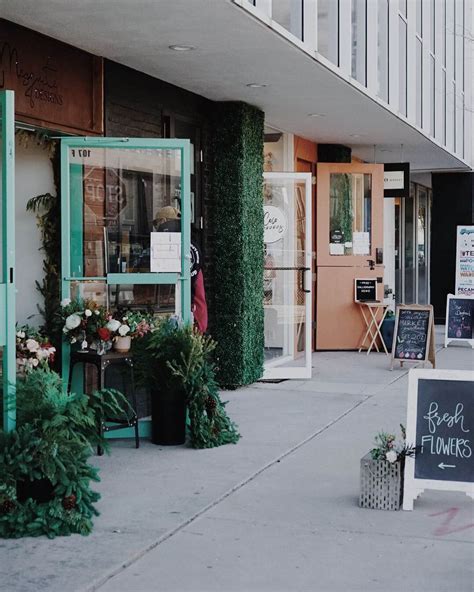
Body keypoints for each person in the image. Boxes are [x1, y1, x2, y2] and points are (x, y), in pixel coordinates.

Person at [153, 206, 208, 333]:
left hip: (179, 307)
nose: (156, 228)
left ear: (164, 221)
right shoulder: (191, 243)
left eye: (157, 223)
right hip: (193, 312)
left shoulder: (169, 245)